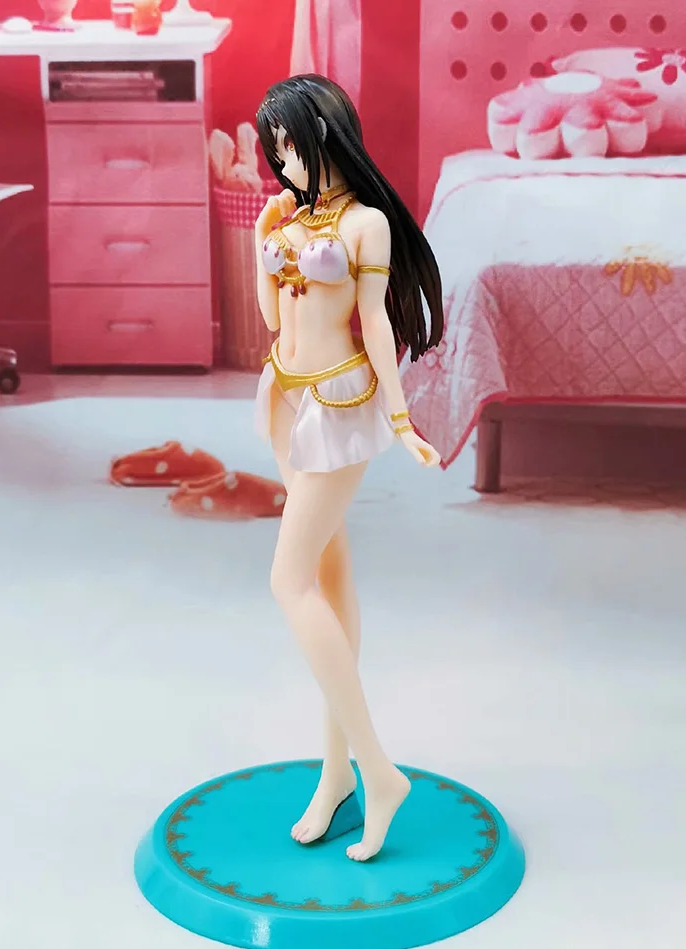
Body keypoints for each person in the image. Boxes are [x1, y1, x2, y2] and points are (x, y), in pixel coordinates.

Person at [254, 74, 444, 862]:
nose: (283, 162)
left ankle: (377, 770)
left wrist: (403, 422)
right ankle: (337, 775)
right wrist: (260, 242)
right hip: (284, 400)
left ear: (324, 135)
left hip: (337, 410)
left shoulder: (367, 225)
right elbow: (275, 317)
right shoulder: (291, 219)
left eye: (290, 145)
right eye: (275, 150)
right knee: (329, 578)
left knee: (288, 581)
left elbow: (375, 324)